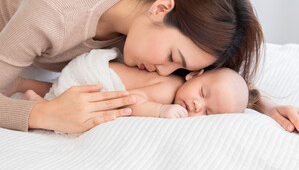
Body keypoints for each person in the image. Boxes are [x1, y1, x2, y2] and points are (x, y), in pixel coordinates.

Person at [0, 0, 299, 136]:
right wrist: (42, 114)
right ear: (160, 9)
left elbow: (206, 81)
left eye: (179, 68)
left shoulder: (161, 5)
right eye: (171, 58)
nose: (168, 72)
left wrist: (262, 105)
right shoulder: (53, 11)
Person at [6, 49, 252, 123]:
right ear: (194, 75)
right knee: (73, 115)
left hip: (90, 67)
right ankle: (35, 101)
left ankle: (24, 82)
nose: (198, 105)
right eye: (203, 93)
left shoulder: (176, 80)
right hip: (90, 77)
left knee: (61, 86)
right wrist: (160, 111)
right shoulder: (168, 91)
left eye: (207, 112)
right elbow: (131, 101)